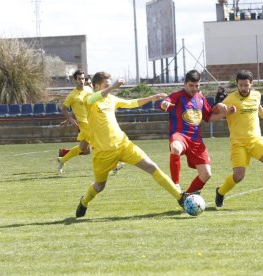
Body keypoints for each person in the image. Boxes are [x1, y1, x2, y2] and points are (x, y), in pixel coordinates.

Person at [75, 71, 184, 218]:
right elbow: (94, 97)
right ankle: (84, 201)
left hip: (123, 145)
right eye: (106, 85)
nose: (110, 87)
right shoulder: (90, 99)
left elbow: (131, 103)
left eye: (110, 84)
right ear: (96, 86)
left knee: (152, 166)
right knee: (99, 186)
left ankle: (180, 198)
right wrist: (112, 87)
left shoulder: (111, 99)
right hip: (103, 154)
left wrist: (152, 98)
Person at [213, 70, 263, 207]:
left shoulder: (256, 95)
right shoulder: (230, 98)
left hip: (256, 139)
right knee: (238, 177)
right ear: (237, 85)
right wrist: (219, 107)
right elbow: (215, 111)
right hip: (238, 144)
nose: (243, 88)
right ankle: (220, 192)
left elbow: (258, 107)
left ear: (251, 83)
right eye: (241, 85)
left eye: (246, 85)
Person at [160, 70, 222, 195]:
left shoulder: (201, 99)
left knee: (206, 174)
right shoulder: (177, 96)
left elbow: (209, 118)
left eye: (197, 86)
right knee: (176, 148)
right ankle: (175, 184)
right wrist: (164, 104)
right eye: (191, 85)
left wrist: (224, 113)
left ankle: (186, 196)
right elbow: (165, 103)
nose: (194, 88)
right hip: (180, 135)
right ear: (185, 84)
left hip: (196, 140)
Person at [57, 69, 93, 173]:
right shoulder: (72, 95)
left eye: (82, 78)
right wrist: (70, 120)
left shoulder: (89, 90)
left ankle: (62, 159)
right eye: (79, 79)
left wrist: (67, 120)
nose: (81, 81)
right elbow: (64, 109)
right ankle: (114, 166)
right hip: (84, 124)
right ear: (75, 80)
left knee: (83, 149)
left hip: (93, 121)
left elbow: (79, 109)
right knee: (100, 143)